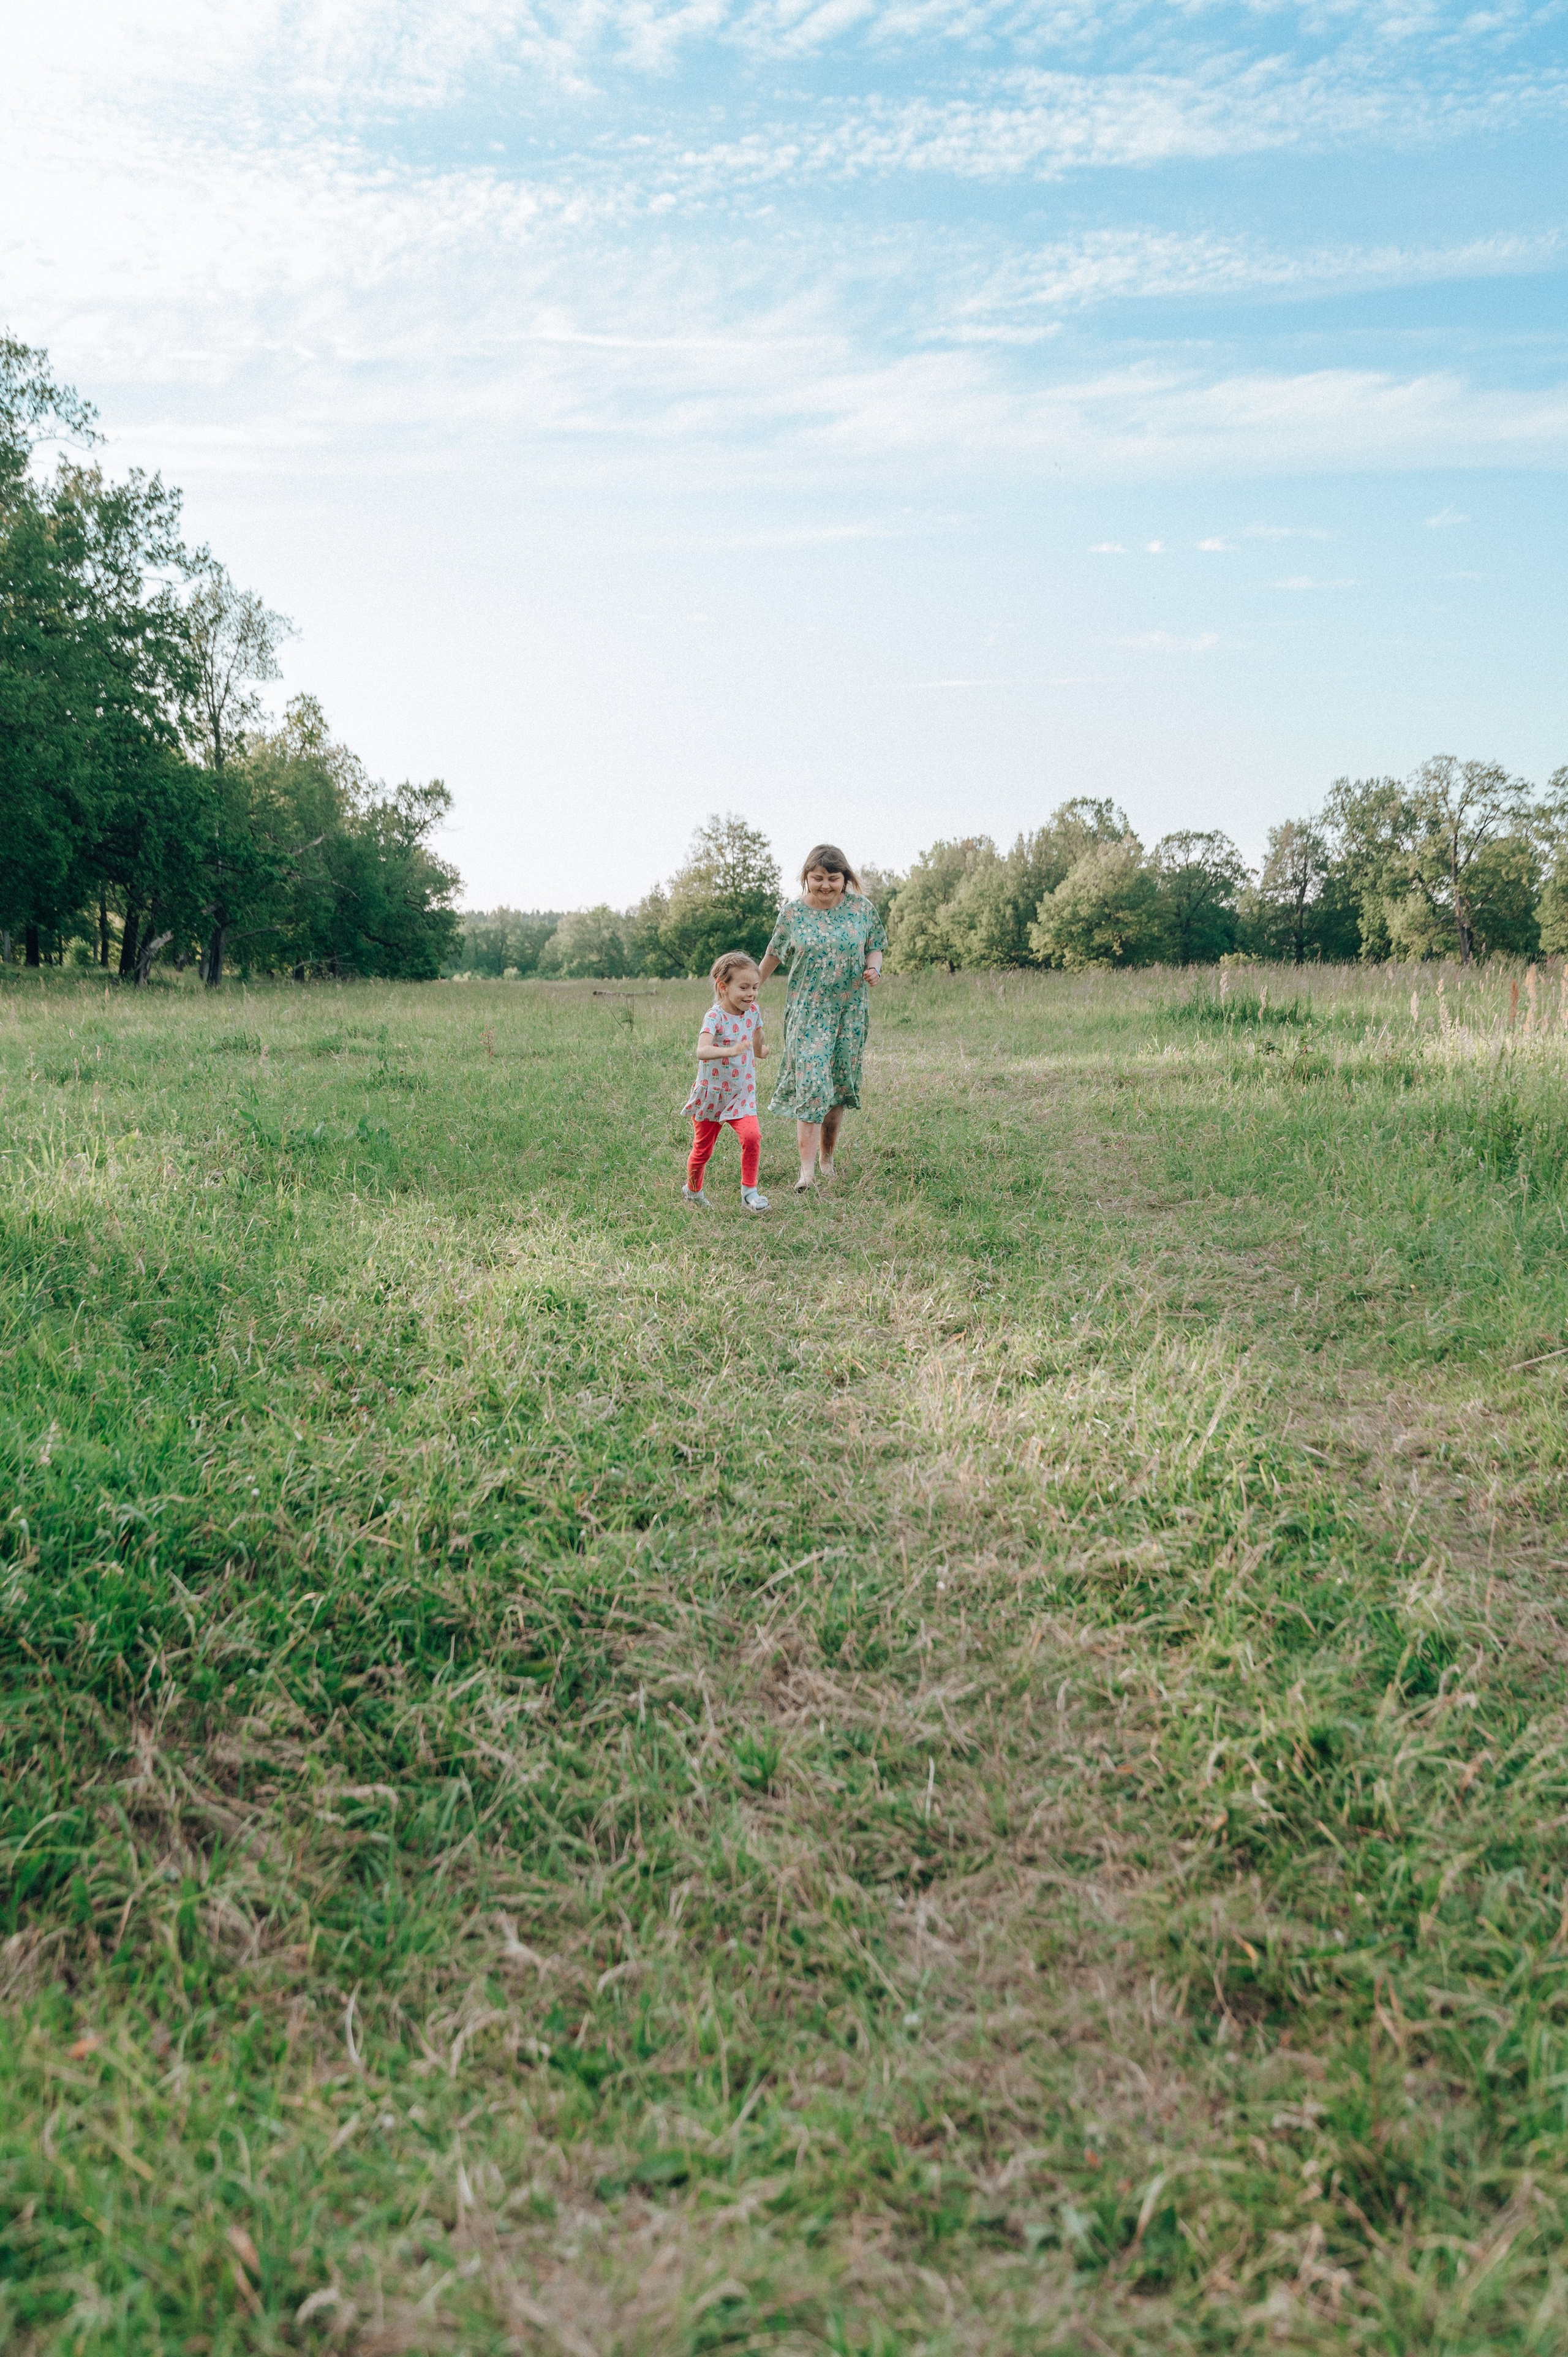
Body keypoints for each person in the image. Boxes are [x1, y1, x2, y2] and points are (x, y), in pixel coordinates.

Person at [758, 845, 887, 1192]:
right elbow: (773, 955)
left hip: (849, 1013)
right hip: (808, 1014)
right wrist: (750, 989)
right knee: (813, 1086)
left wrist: (874, 968)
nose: (826, 885)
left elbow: (875, 945)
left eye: (833, 878)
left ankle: (827, 1161)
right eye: (818, 878)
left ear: (845, 878)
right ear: (806, 878)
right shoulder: (792, 914)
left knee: (838, 1088)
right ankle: (806, 1174)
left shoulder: (862, 909)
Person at [682, 951, 772, 1213]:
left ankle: (749, 1193)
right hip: (713, 1094)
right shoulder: (715, 1016)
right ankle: (693, 1191)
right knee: (703, 1150)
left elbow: (756, 1034)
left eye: (755, 987)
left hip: (742, 1093)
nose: (751, 994)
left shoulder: (753, 1011)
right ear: (723, 987)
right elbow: (702, 1051)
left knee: (752, 1136)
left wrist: (760, 1050)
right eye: (744, 988)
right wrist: (730, 1051)